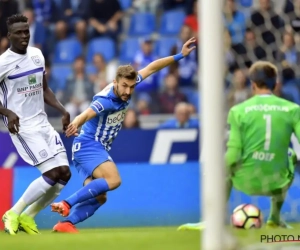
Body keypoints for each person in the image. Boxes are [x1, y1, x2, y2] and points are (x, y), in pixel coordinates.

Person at [50, 37, 197, 233]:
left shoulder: (129, 83)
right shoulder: (106, 100)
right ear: (115, 83)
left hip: (87, 148)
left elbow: (152, 67)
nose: (128, 91)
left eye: (131, 87)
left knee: (100, 196)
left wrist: (180, 55)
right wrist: (74, 123)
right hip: (88, 143)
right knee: (114, 180)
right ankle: (67, 204)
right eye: (124, 87)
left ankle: (65, 224)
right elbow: (87, 113)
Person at [178, 61, 300, 231]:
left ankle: (211, 221)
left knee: (226, 164)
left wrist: (217, 172)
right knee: (290, 154)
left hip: (244, 180)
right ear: (276, 83)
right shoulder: (293, 109)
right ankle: (275, 217)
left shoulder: (239, 110)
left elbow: (233, 154)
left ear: (252, 84)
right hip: (276, 181)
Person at [0, 14, 71, 235]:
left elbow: (44, 88)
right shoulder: (3, 62)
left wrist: (62, 110)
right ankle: (12, 213)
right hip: (22, 127)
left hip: (42, 123)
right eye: (19, 32)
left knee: (64, 174)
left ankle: (28, 217)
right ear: (9, 35)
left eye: (26, 31)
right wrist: (7, 112)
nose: (24, 36)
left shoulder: (37, 55)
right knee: (51, 173)